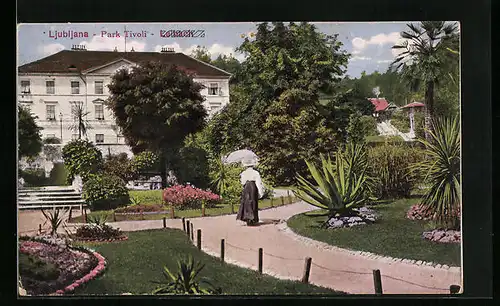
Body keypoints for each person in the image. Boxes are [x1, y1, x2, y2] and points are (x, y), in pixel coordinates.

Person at [236, 159, 264, 226]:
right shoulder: (255, 173)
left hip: (246, 187)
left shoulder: (243, 173)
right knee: (253, 202)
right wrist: (260, 192)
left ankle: (247, 218)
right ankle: (253, 219)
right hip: (253, 187)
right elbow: (258, 183)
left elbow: (242, 182)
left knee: (246, 202)